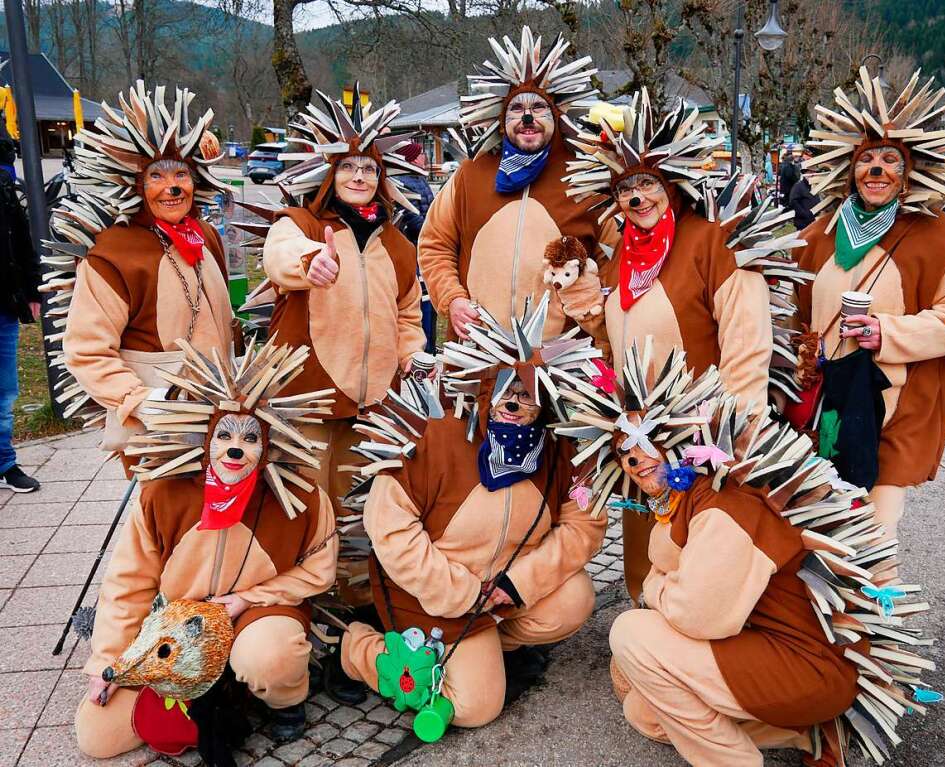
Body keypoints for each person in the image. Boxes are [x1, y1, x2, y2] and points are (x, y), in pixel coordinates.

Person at [555, 342, 940, 767]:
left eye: (644, 442)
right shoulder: (692, 501)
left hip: (805, 667)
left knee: (631, 632)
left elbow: (697, 616)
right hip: (767, 648)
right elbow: (677, 570)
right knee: (646, 714)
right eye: (624, 455)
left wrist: (656, 587)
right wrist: (665, 577)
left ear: (678, 438)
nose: (635, 460)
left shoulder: (726, 507)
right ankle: (807, 734)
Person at [553, 89, 802, 603]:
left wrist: (735, 434)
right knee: (645, 553)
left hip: (703, 433)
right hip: (640, 431)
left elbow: (747, 343)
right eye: (625, 189)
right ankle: (646, 628)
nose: (636, 198)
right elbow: (616, 343)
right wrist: (585, 306)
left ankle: (690, 650)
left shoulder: (714, 240)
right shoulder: (622, 251)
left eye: (647, 184)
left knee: (697, 554)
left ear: (672, 184)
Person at [338, 297, 606, 729]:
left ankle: (489, 648)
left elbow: (584, 526)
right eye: (506, 392)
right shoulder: (436, 434)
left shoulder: (558, 450)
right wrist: (461, 592)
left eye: (527, 396)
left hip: (500, 591)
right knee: (476, 708)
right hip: (436, 596)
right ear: (485, 388)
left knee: (574, 600)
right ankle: (360, 650)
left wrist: (516, 584)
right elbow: (390, 531)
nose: (514, 406)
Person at [75, 342, 339, 758]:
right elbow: (128, 583)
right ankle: (215, 688)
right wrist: (107, 662)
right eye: (224, 435)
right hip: (178, 625)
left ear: (268, 443)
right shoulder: (163, 494)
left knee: (270, 659)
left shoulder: (301, 497)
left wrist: (247, 599)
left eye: (251, 437)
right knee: (97, 737)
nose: (236, 449)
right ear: (206, 436)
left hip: (258, 615)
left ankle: (279, 699)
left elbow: (319, 571)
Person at [794, 68, 945, 545]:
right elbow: (792, 306)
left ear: (910, 172)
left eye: (890, 160)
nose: (876, 170)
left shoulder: (939, 236)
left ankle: (867, 615)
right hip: (822, 403)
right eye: (867, 160)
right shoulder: (820, 233)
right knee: (812, 522)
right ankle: (808, 615)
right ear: (850, 168)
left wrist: (890, 334)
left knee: (873, 528)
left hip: (895, 403)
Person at [258, 88, 427, 535]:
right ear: (330, 175)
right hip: (308, 395)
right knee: (304, 502)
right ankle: (303, 594)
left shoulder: (397, 244)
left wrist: (412, 356)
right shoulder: (302, 224)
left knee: (357, 505)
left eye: (368, 168)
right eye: (347, 167)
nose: (358, 176)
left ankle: (353, 594)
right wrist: (310, 261)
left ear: (382, 177)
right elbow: (279, 255)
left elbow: (408, 314)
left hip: (373, 401)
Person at [53, 82, 234, 465]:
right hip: (159, 427)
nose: (172, 187)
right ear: (135, 184)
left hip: (223, 416)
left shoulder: (206, 236)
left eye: (181, 175)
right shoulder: (113, 255)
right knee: (166, 520)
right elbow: (86, 350)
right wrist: (140, 402)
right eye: (156, 176)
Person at [418, 26, 616, 342]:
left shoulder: (585, 180)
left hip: (560, 359)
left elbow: (613, 260)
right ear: (502, 118)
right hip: (478, 351)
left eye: (538, 108)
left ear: (556, 116)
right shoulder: (471, 174)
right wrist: (452, 298)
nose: (527, 118)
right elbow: (435, 243)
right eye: (516, 109)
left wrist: (587, 308)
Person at [0, 139, 41, 492]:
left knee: (4, 391)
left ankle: (5, 463)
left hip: (4, 302)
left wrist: (31, 290)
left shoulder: (4, 183)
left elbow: (22, 238)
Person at [394, 141, 438, 351]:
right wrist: (433, 233)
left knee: (430, 300)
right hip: (416, 250)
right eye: (421, 154)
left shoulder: (420, 179)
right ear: (411, 158)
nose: (424, 158)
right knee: (420, 302)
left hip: (426, 248)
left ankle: (429, 347)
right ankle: (422, 350)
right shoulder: (404, 182)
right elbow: (412, 216)